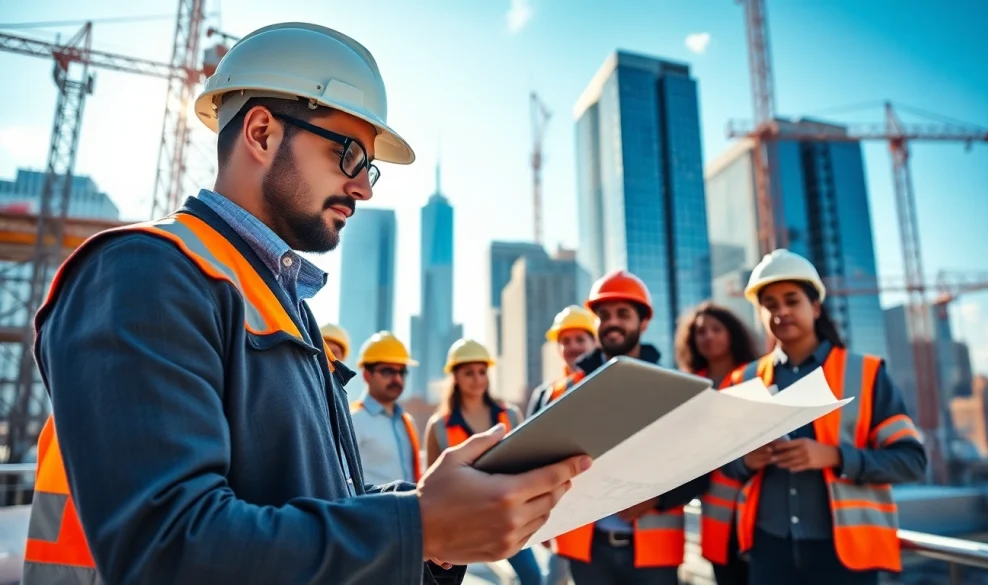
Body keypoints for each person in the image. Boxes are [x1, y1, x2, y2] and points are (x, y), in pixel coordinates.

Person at [22, 22, 590, 585]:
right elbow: (169, 549)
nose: (364, 188)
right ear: (262, 133)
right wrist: (418, 526)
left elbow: (314, 500)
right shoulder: (143, 272)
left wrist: (437, 529)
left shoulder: (281, 304)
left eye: (368, 168)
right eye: (349, 155)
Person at [720, 249, 928, 585]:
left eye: (792, 300)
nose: (781, 311)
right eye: (770, 304)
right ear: (759, 314)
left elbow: (911, 462)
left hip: (845, 557)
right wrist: (746, 461)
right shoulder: (743, 380)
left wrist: (834, 457)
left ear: (815, 307)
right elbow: (725, 464)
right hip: (768, 551)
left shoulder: (867, 374)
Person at [537, 270, 705, 585]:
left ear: (644, 322)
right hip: (586, 549)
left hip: (654, 551)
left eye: (623, 314)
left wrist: (656, 499)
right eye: (604, 315)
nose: (612, 322)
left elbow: (699, 466)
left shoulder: (673, 390)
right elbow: (539, 461)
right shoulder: (565, 392)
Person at [425, 339, 544, 585]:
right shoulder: (438, 426)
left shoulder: (510, 415)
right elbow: (433, 486)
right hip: (462, 522)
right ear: (455, 377)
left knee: (532, 577)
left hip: (507, 515)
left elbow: (526, 463)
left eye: (482, 371)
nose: (477, 379)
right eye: (469, 373)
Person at [673, 302, 758, 585]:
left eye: (716, 329)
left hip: (759, 514)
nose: (708, 336)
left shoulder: (755, 377)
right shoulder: (688, 387)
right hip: (716, 517)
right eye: (700, 332)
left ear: (732, 334)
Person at [526, 305, 599, 585]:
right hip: (562, 517)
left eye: (580, 339)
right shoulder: (545, 394)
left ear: (594, 342)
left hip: (606, 516)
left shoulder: (608, 384)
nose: (572, 347)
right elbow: (531, 458)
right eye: (565, 341)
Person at [349, 331, 423, 486]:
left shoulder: (406, 422)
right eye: (387, 371)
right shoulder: (354, 421)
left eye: (402, 372)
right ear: (367, 375)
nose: (397, 379)